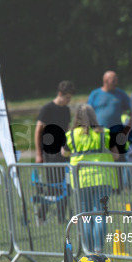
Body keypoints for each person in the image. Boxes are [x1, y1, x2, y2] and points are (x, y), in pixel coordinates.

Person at [62, 104, 118, 252]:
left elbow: (64, 153)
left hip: (80, 179)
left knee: (85, 215)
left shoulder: (72, 135)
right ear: (94, 116)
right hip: (102, 178)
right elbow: (116, 154)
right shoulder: (104, 133)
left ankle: (89, 250)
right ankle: (98, 249)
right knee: (100, 213)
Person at [34, 81, 74, 221]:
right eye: (67, 97)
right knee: (53, 185)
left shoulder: (66, 110)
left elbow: (67, 129)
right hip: (50, 152)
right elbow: (38, 130)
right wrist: (39, 154)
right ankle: (42, 213)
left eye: (70, 98)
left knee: (65, 184)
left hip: (64, 152)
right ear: (59, 94)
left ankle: (62, 217)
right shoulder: (48, 109)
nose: (68, 100)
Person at [87, 70, 131, 156]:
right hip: (99, 133)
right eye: (113, 80)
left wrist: (127, 129)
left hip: (117, 133)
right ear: (105, 81)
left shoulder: (120, 94)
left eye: (116, 80)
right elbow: (88, 113)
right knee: (101, 158)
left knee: (119, 160)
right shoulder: (95, 94)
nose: (116, 83)